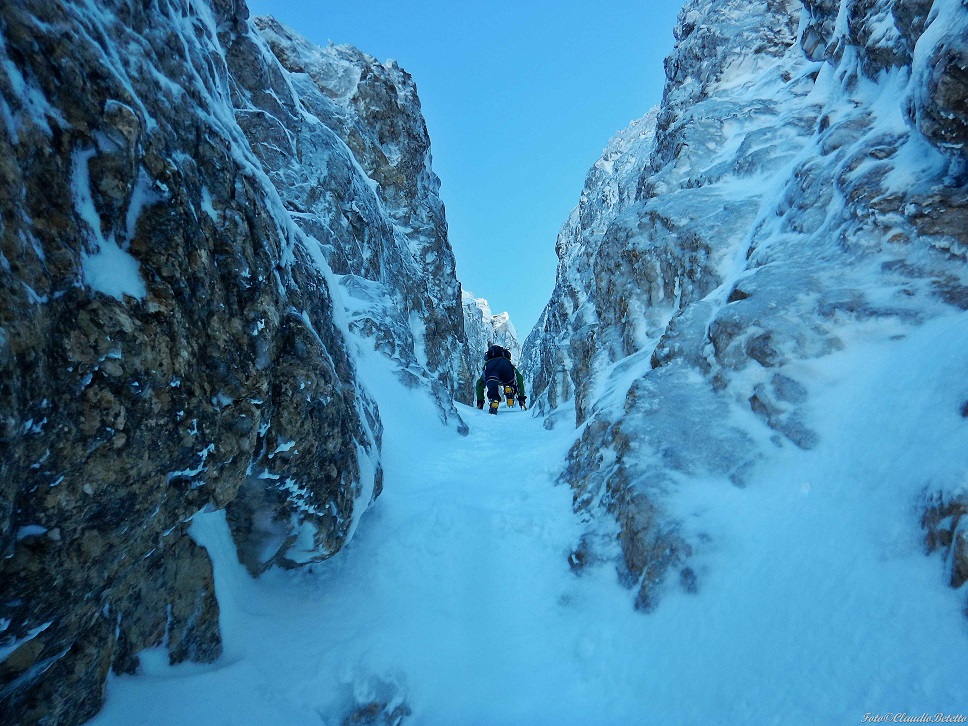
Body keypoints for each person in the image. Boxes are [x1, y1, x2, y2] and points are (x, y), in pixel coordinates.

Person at [475, 344, 527, 414]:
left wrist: (480, 402)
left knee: (492, 386)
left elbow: (479, 384)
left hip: (492, 369)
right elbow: (519, 378)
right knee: (510, 382)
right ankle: (509, 388)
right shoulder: (507, 362)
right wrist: (521, 397)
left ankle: (494, 400)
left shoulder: (489, 363)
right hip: (507, 368)